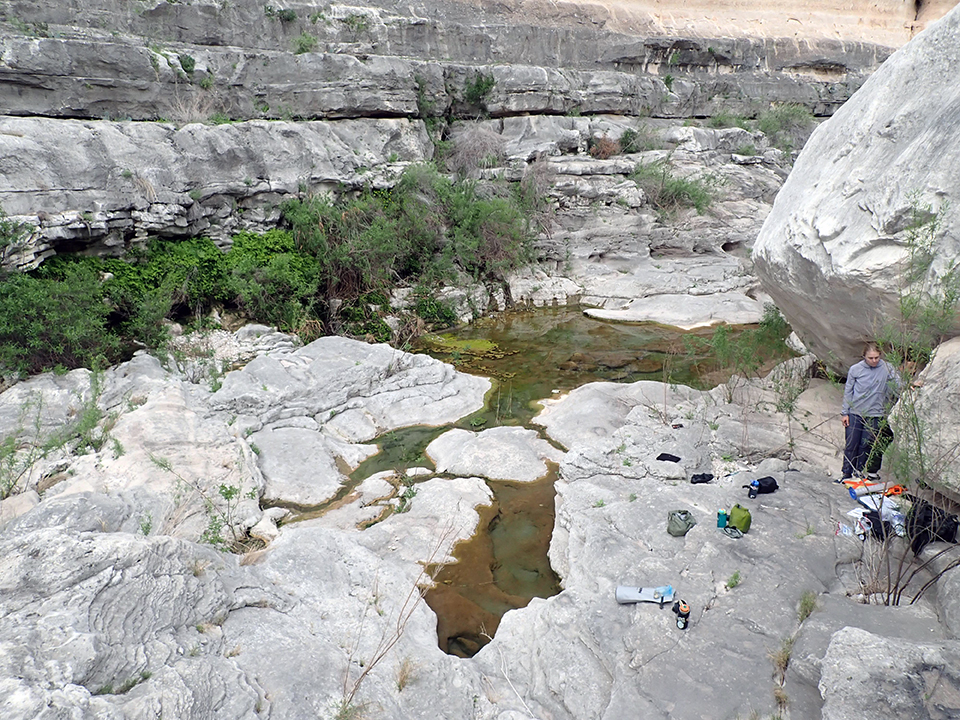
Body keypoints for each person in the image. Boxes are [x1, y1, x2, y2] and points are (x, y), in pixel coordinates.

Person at [839, 342, 903, 482]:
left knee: (866, 444)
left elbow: (898, 384)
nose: (874, 361)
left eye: (877, 357)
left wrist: (909, 384)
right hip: (855, 412)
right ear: (864, 356)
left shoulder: (887, 367)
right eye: (870, 358)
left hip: (876, 413)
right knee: (851, 443)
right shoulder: (855, 369)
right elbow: (848, 392)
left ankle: (859, 471)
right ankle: (846, 473)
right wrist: (845, 413)